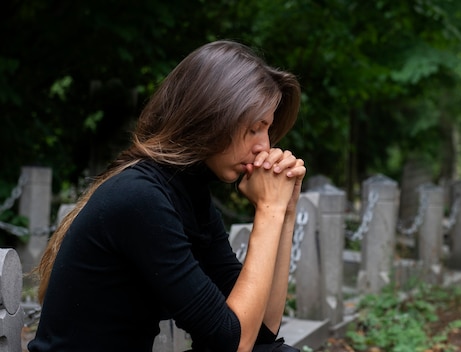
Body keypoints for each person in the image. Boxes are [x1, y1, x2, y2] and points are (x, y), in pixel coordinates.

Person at [28, 40, 306, 352]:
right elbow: (233, 343)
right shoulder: (140, 197)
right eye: (255, 128)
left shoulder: (189, 194)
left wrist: (286, 210)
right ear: (212, 116)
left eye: (267, 130)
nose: (265, 148)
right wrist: (268, 210)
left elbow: (262, 333)